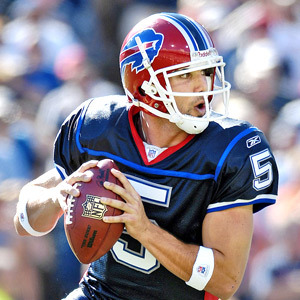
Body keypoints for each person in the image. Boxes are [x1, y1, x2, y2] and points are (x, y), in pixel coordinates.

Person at [14, 12, 278, 300]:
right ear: (146, 87)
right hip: (100, 294)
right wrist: (56, 198)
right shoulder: (100, 126)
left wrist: (145, 230)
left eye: (205, 72)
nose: (203, 85)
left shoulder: (230, 149)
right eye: (186, 75)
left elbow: (225, 281)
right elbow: (24, 222)